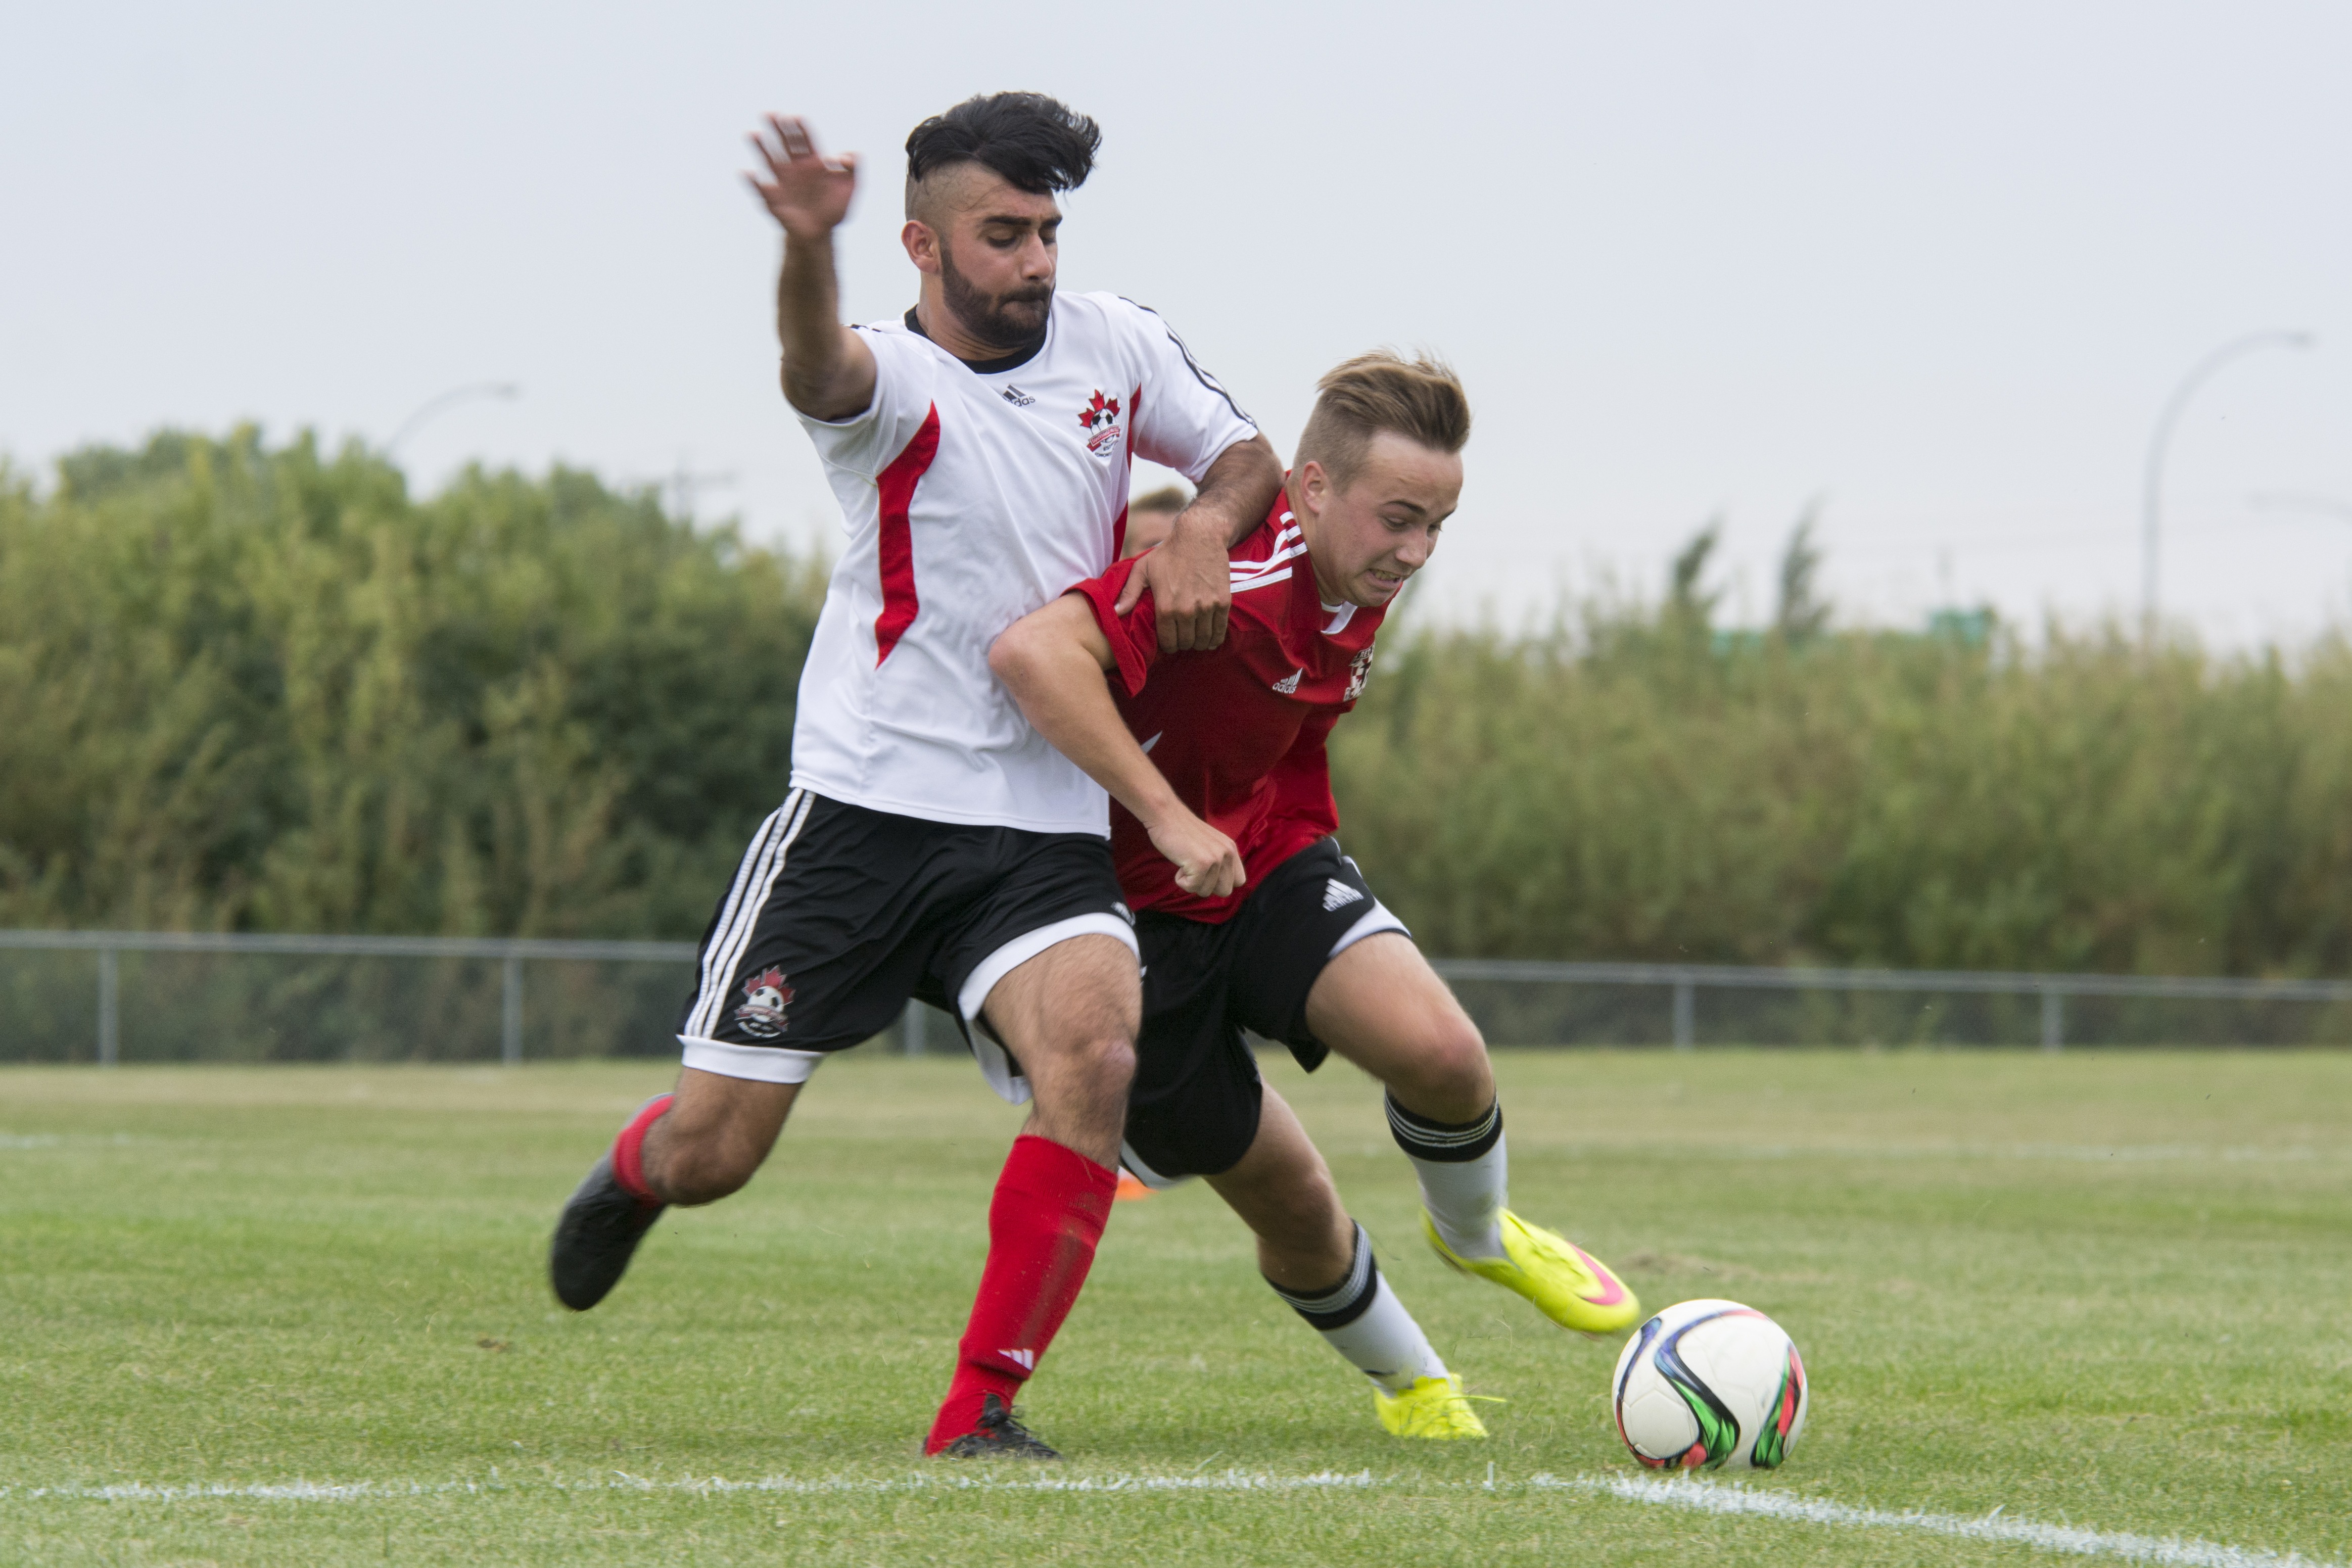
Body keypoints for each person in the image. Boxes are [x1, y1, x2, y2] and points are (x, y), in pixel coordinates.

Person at [546, 92, 1283, 1461]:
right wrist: (802, 249)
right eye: (1001, 236)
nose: (1034, 262)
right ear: (920, 247)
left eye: (1047, 231)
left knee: (1095, 1050)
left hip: (1042, 820)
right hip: (865, 815)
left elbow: (1245, 453)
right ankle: (642, 1169)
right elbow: (813, 368)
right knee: (722, 1153)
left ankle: (978, 1413)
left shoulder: (1117, 343)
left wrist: (1201, 530)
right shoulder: (886, 382)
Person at [987, 352, 1641, 1438]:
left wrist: (1244, 823)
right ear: (1311, 489)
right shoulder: (1219, 577)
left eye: (1436, 526)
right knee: (1292, 1200)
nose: (1415, 552)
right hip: (1126, 924)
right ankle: (1417, 1384)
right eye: (1397, 519)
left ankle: (1476, 1232)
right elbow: (1030, 654)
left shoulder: (1361, 579)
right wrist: (1162, 813)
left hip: (1269, 859)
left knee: (1442, 1054)